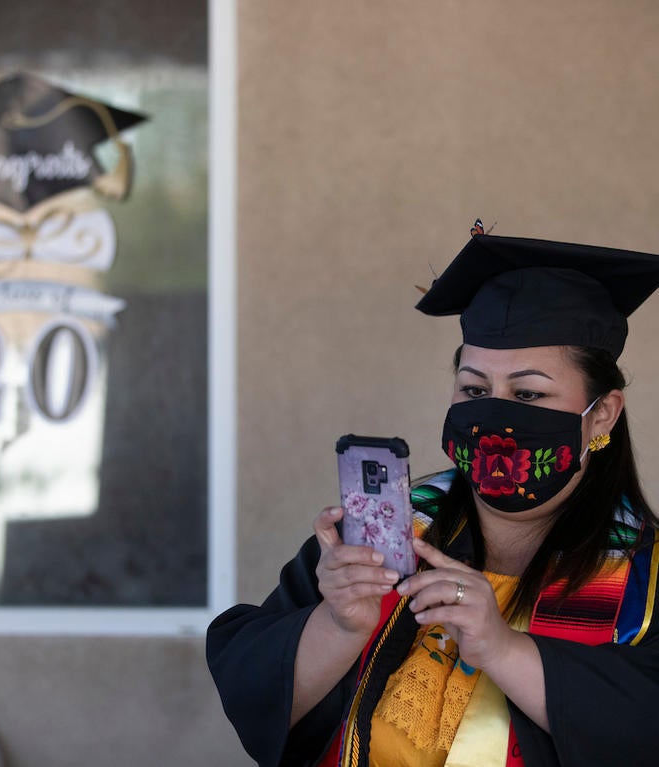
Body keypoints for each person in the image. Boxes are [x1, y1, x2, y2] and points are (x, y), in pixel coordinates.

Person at [207, 226, 659, 767]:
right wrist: (339, 625)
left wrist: (501, 649)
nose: (493, 413)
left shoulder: (646, 576)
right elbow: (255, 692)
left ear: (602, 413)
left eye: (528, 393)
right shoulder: (389, 535)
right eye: (473, 390)